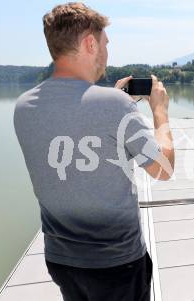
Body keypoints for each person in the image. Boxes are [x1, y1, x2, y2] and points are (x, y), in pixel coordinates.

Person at [13, 3, 174, 301]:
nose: (106, 51)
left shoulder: (24, 106)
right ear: (90, 43)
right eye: (105, 44)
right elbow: (163, 169)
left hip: (62, 260)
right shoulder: (114, 106)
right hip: (117, 263)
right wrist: (160, 112)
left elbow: (77, 130)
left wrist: (114, 99)